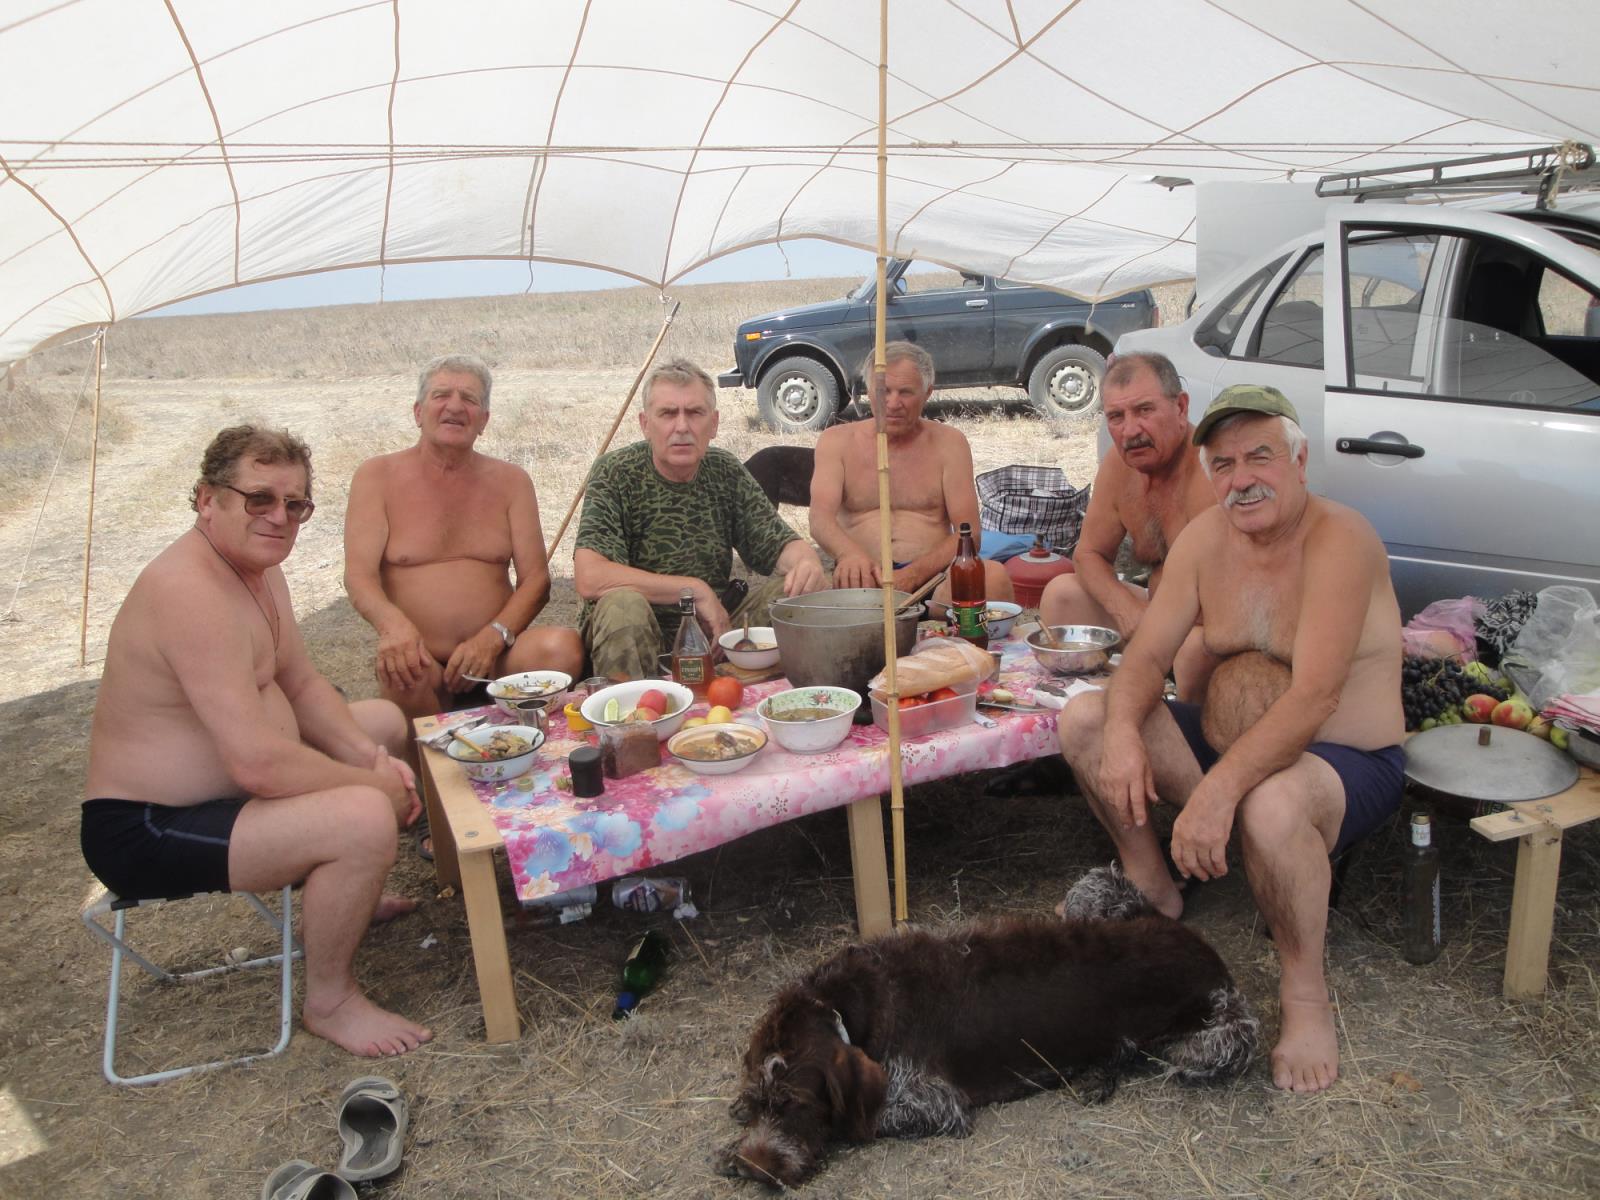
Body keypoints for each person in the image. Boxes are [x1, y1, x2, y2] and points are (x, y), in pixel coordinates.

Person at [1056, 385, 1405, 1094]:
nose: (1241, 479)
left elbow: (1315, 696)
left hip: (1343, 760)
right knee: (1086, 718)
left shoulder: (1341, 539)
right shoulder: (1206, 539)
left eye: (1259, 457)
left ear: (1299, 462)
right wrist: (1122, 732)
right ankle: (1154, 888)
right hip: (1229, 748)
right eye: (1223, 464)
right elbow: (1146, 658)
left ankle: (1305, 997)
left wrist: (1218, 794)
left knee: (1272, 805)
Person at [81, 425, 432, 1058]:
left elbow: (300, 683)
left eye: (295, 505)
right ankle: (331, 1001)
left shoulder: (257, 571)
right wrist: (371, 783)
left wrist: (367, 756)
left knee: (380, 723)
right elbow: (257, 764)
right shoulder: (187, 589)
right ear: (206, 499)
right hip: (150, 825)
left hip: (229, 793)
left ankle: (348, 889)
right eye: (259, 499)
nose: (279, 517)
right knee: (361, 815)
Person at [345, 354, 584, 720]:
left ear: (483, 420)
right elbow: (358, 577)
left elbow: (536, 581)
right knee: (401, 672)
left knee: (563, 647)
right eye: (441, 395)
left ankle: (524, 735)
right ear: (418, 412)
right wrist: (394, 629)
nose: (455, 406)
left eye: (469, 399)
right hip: (421, 659)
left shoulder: (511, 482)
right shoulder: (376, 477)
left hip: (499, 659)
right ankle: (430, 756)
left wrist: (493, 637)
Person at [573, 357, 826, 680]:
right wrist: (694, 590)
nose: (682, 427)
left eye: (694, 413)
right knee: (623, 605)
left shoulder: (724, 471)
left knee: (804, 595)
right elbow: (590, 576)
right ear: (645, 424)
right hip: (638, 632)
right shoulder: (615, 473)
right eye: (668, 413)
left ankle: (783, 698)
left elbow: (779, 544)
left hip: (715, 629)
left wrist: (806, 563)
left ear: (714, 423)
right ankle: (630, 708)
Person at [1039, 352, 1216, 700]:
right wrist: (1125, 607)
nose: (1130, 431)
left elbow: (1220, 598)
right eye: (1116, 417)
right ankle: (1075, 700)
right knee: (1062, 595)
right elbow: (1088, 554)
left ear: (1180, 407)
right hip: (1152, 617)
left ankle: (1178, 713)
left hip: (1203, 629)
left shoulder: (1210, 469)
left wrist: (1155, 628)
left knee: (1194, 648)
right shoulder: (1119, 467)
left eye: (1145, 410)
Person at [809, 341, 1013, 605]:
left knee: (994, 577)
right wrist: (849, 554)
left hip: (933, 581)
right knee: (801, 584)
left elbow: (969, 533)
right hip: (863, 579)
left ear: (927, 393)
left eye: (905, 392)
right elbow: (820, 519)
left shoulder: (949, 443)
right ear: (869, 391)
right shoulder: (836, 441)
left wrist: (913, 575)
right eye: (884, 391)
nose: (893, 403)